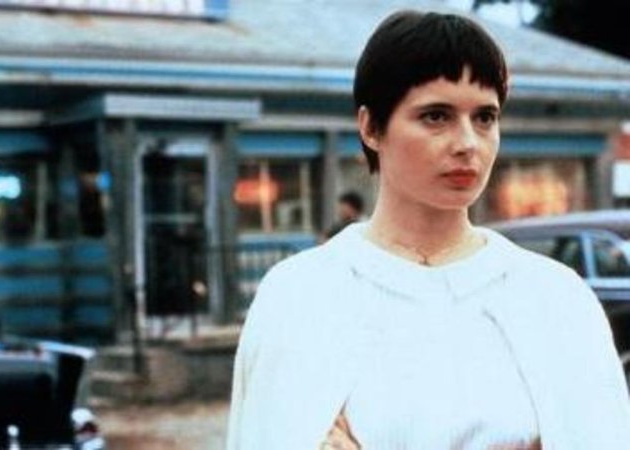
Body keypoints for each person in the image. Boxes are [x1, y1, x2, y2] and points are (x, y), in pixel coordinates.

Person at [227, 10, 630, 450]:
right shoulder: (303, 295)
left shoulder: (554, 298)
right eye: (436, 116)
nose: (467, 143)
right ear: (371, 127)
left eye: (485, 117)